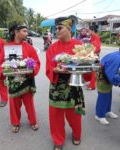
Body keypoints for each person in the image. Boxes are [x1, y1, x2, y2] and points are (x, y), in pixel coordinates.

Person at [46, 16, 91, 150]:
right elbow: (48, 67)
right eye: (56, 28)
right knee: (55, 116)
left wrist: (87, 69)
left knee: (74, 115)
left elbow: (87, 66)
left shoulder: (79, 46)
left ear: (69, 28)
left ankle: (77, 134)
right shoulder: (52, 48)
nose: (57, 31)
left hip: (74, 84)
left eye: (60, 28)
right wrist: (54, 69)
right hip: (56, 85)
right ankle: (58, 139)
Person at [0, 24, 40, 133]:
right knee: (14, 104)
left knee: (29, 103)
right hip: (13, 81)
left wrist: (32, 68)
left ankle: (33, 121)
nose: (27, 33)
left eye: (27, 31)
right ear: (16, 32)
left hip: (27, 80)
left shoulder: (29, 47)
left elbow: (36, 62)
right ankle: (15, 122)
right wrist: (3, 71)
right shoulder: (7, 47)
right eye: (24, 31)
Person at [95, 44, 120, 125]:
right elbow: (110, 72)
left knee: (108, 94)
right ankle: (99, 115)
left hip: (105, 76)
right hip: (103, 77)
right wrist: (117, 81)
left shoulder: (118, 54)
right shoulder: (119, 58)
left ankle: (107, 111)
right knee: (103, 96)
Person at [87, 26, 101, 90]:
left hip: (94, 55)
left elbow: (97, 47)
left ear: (92, 30)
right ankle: (91, 83)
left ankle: (92, 86)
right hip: (92, 54)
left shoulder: (96, 36)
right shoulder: (92, 37)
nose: (88, 32)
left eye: (89, 30)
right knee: (91, 69)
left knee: (93, 70)